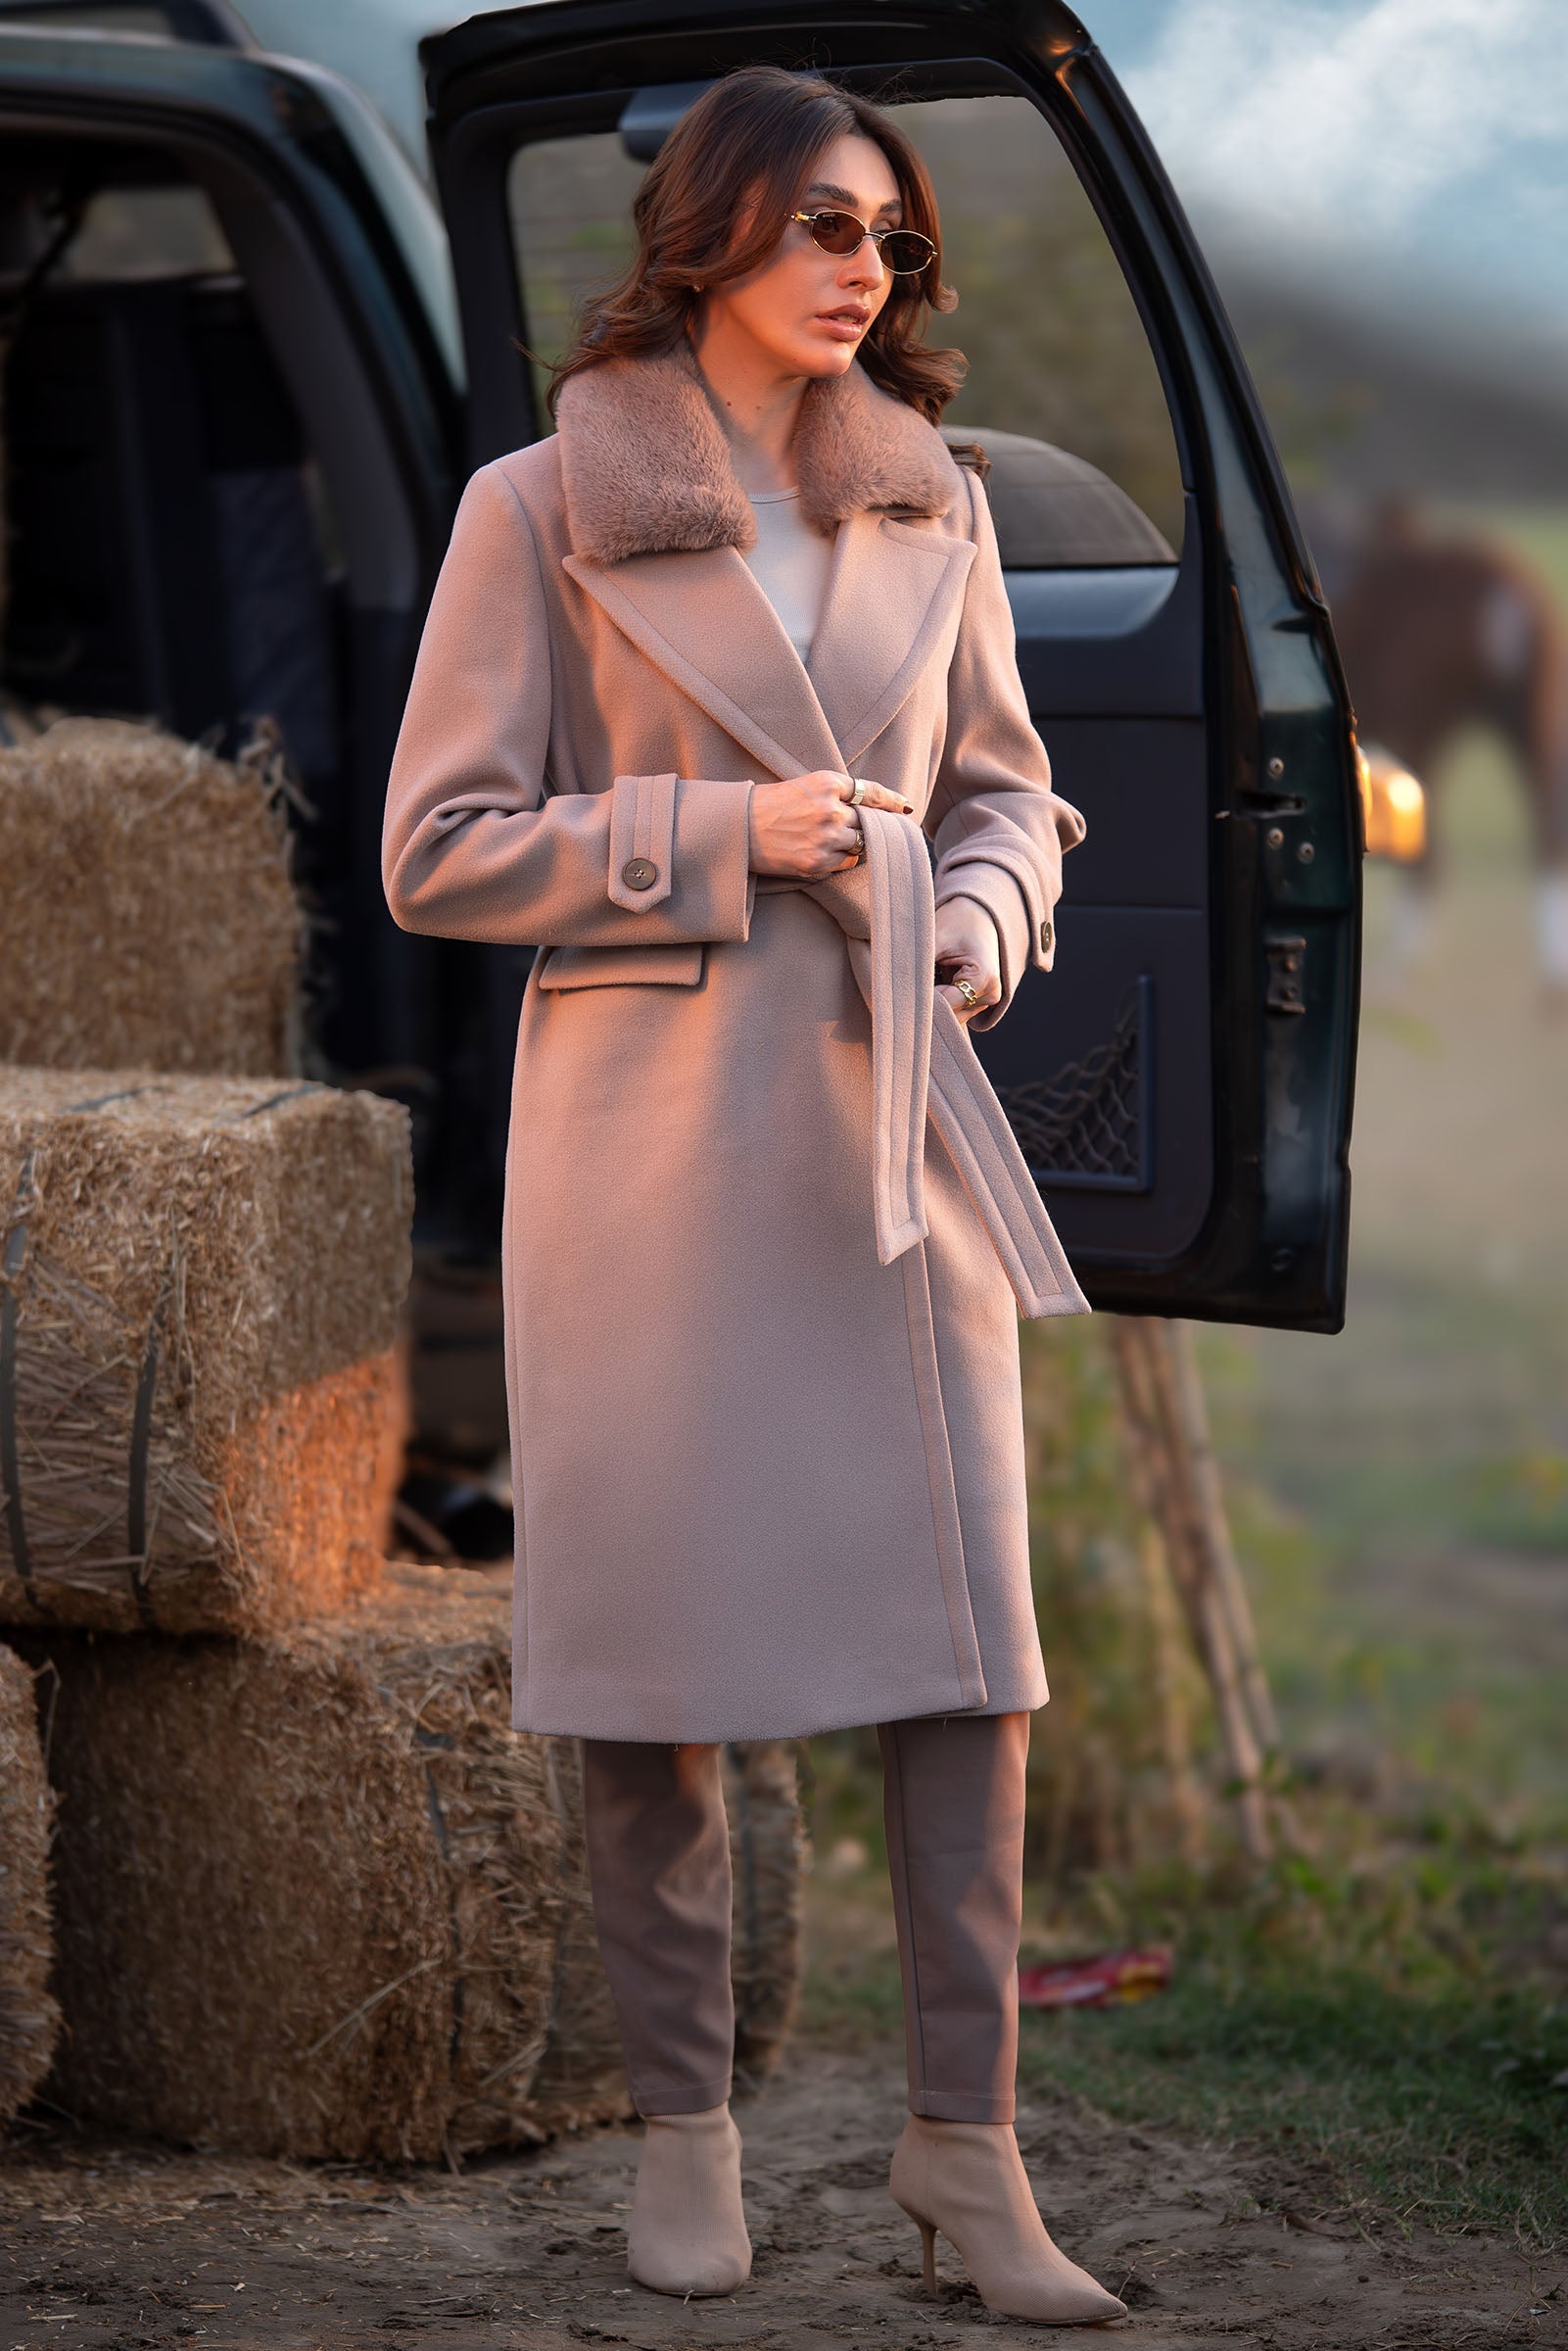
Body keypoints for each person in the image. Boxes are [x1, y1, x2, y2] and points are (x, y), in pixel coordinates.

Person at [382, 62, 1122, 2328]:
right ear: (706, 230)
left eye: (889, 234)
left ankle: (966, 2156)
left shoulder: (936, 501)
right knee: (660, 1672)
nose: (863, 266)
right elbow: (437, 847)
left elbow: (1007, 793)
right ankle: (681, 2139)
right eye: (821, 223)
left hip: (898, 1139)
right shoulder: (539, 504)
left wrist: (983, 918)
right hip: (655, 1157)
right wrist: (726, 836)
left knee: (973, 1660)